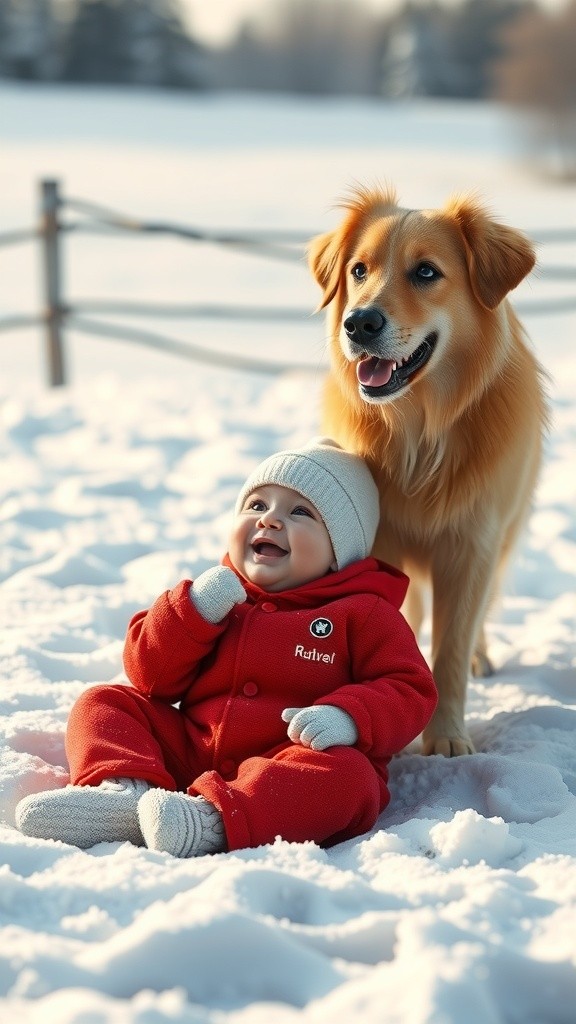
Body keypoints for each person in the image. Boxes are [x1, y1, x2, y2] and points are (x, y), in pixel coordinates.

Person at [16, 438, 437, 856]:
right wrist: (191, 612)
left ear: (338, 552)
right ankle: (125, 795)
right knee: (105, 702)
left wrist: (350, 716)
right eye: (256, 505)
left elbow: (410, 687)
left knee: (350, 780)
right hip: (194, 749)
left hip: (290, 763)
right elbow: (151, 678)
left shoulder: (363, 613)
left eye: (300, 512)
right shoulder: (219, 597)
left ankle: (210, 823)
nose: (269, 520)